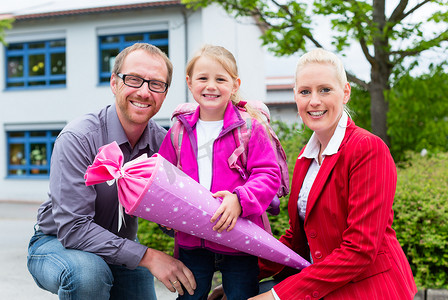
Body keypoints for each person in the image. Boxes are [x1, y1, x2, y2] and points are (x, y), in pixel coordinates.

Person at [27, 43, 196, 300]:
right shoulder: (79, 137)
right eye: (134, 79)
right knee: (89, 274)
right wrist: (149, 257)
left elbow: (177, 212)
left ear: (164, 93)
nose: (144, 92)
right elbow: (74, 228)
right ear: (114, 83)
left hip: (120, 246)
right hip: (57, 243)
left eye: (156, 84)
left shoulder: (165, 145)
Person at [248, 48, 418, 299]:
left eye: (325, 90)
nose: (314, 100)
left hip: (370, 290)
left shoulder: (368, 148)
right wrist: (241, 278)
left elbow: (359, 250)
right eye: (305, 91)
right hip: (325, 287)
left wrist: (277, 296)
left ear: (345, 92)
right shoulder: (306, 155)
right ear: (296, 96)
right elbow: (297, 238)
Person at [158, 44, 281, 300]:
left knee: (240, 296)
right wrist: (163, 213)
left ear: (235, 85)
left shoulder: (249, 128)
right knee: (190, 296)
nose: (211, 86)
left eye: (220, 79)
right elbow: (163, 178)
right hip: (192, 240)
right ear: (190, 83)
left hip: (240, 238)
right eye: (203, 78)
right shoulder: (178, 131)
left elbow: (268, 175)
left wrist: (239, 199)